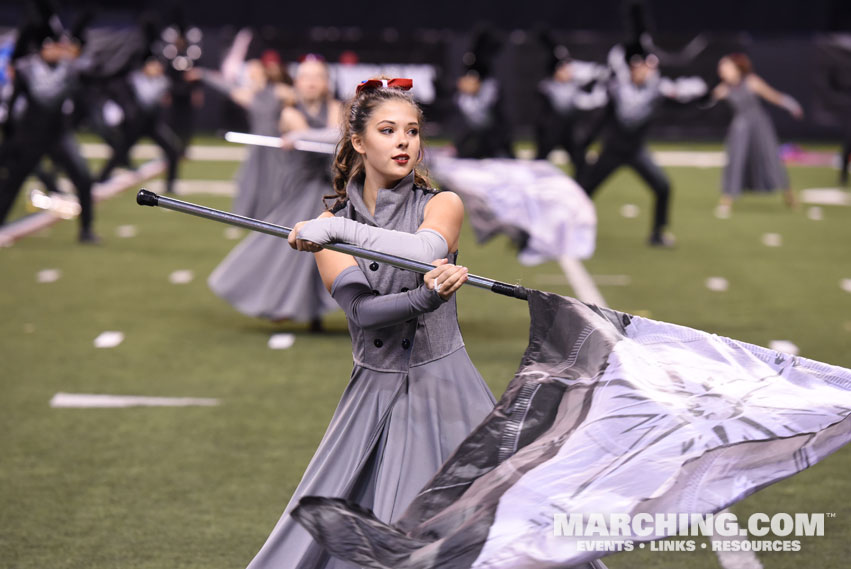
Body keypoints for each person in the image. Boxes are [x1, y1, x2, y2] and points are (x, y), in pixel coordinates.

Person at [243, 78, 497, 569]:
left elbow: (425, 250)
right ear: (358, 142)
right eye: (388, 130)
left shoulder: (441, 204)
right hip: (372, 394)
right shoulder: (329, 219)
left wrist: (336, 230)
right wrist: (425, 296)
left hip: (447, 388)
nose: (404, 141)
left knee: (481, 526)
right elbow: (361, 314)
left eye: (413, 131)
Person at [207, 57, 338, 328]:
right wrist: (297, 138)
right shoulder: (290, 112)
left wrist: (306, 138)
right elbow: (308, 136)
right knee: (287, 250)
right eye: (306, 76)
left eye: (318, 77)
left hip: (328, 189)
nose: (312, 82)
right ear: (298, 83)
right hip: (298, 187)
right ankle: (286, 305)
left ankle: (313, 311)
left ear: (326, 83)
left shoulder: (335, 108)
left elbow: (335, 135)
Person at [578, 45, 706, 247]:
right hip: (612, 150)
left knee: (663, 187)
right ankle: (571, 229)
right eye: (645, 67)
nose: (649, 72)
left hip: (635, 151)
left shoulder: (655, 93)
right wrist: (584, 144)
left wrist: (701, 99)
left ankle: (657, 233)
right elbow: (600, 120)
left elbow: (681, 104)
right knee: (584, 190)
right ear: (634, 68)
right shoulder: (617, 90)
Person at [0, 31, 98, 242]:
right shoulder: (26, 70)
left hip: (58, 134)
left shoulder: (70, 69)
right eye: (51, 46)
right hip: (31, 134)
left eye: (57, 46)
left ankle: (87, 230)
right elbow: (13, 104)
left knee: (83, 178)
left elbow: (90, 81)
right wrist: (12, 135)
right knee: (13, 181)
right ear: (42, 49)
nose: (56, 50)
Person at [712, 53, 803, 216]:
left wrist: (791, 105)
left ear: (737, 68)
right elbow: (705, 101)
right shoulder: (724, 88)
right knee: (735, 159)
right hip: (739, 127)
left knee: (771, 158)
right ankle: (727, 201)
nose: (721, 70)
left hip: (759, 126)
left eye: (725, 66)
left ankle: (789, 197)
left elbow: (773, 96)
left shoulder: (751, 82)